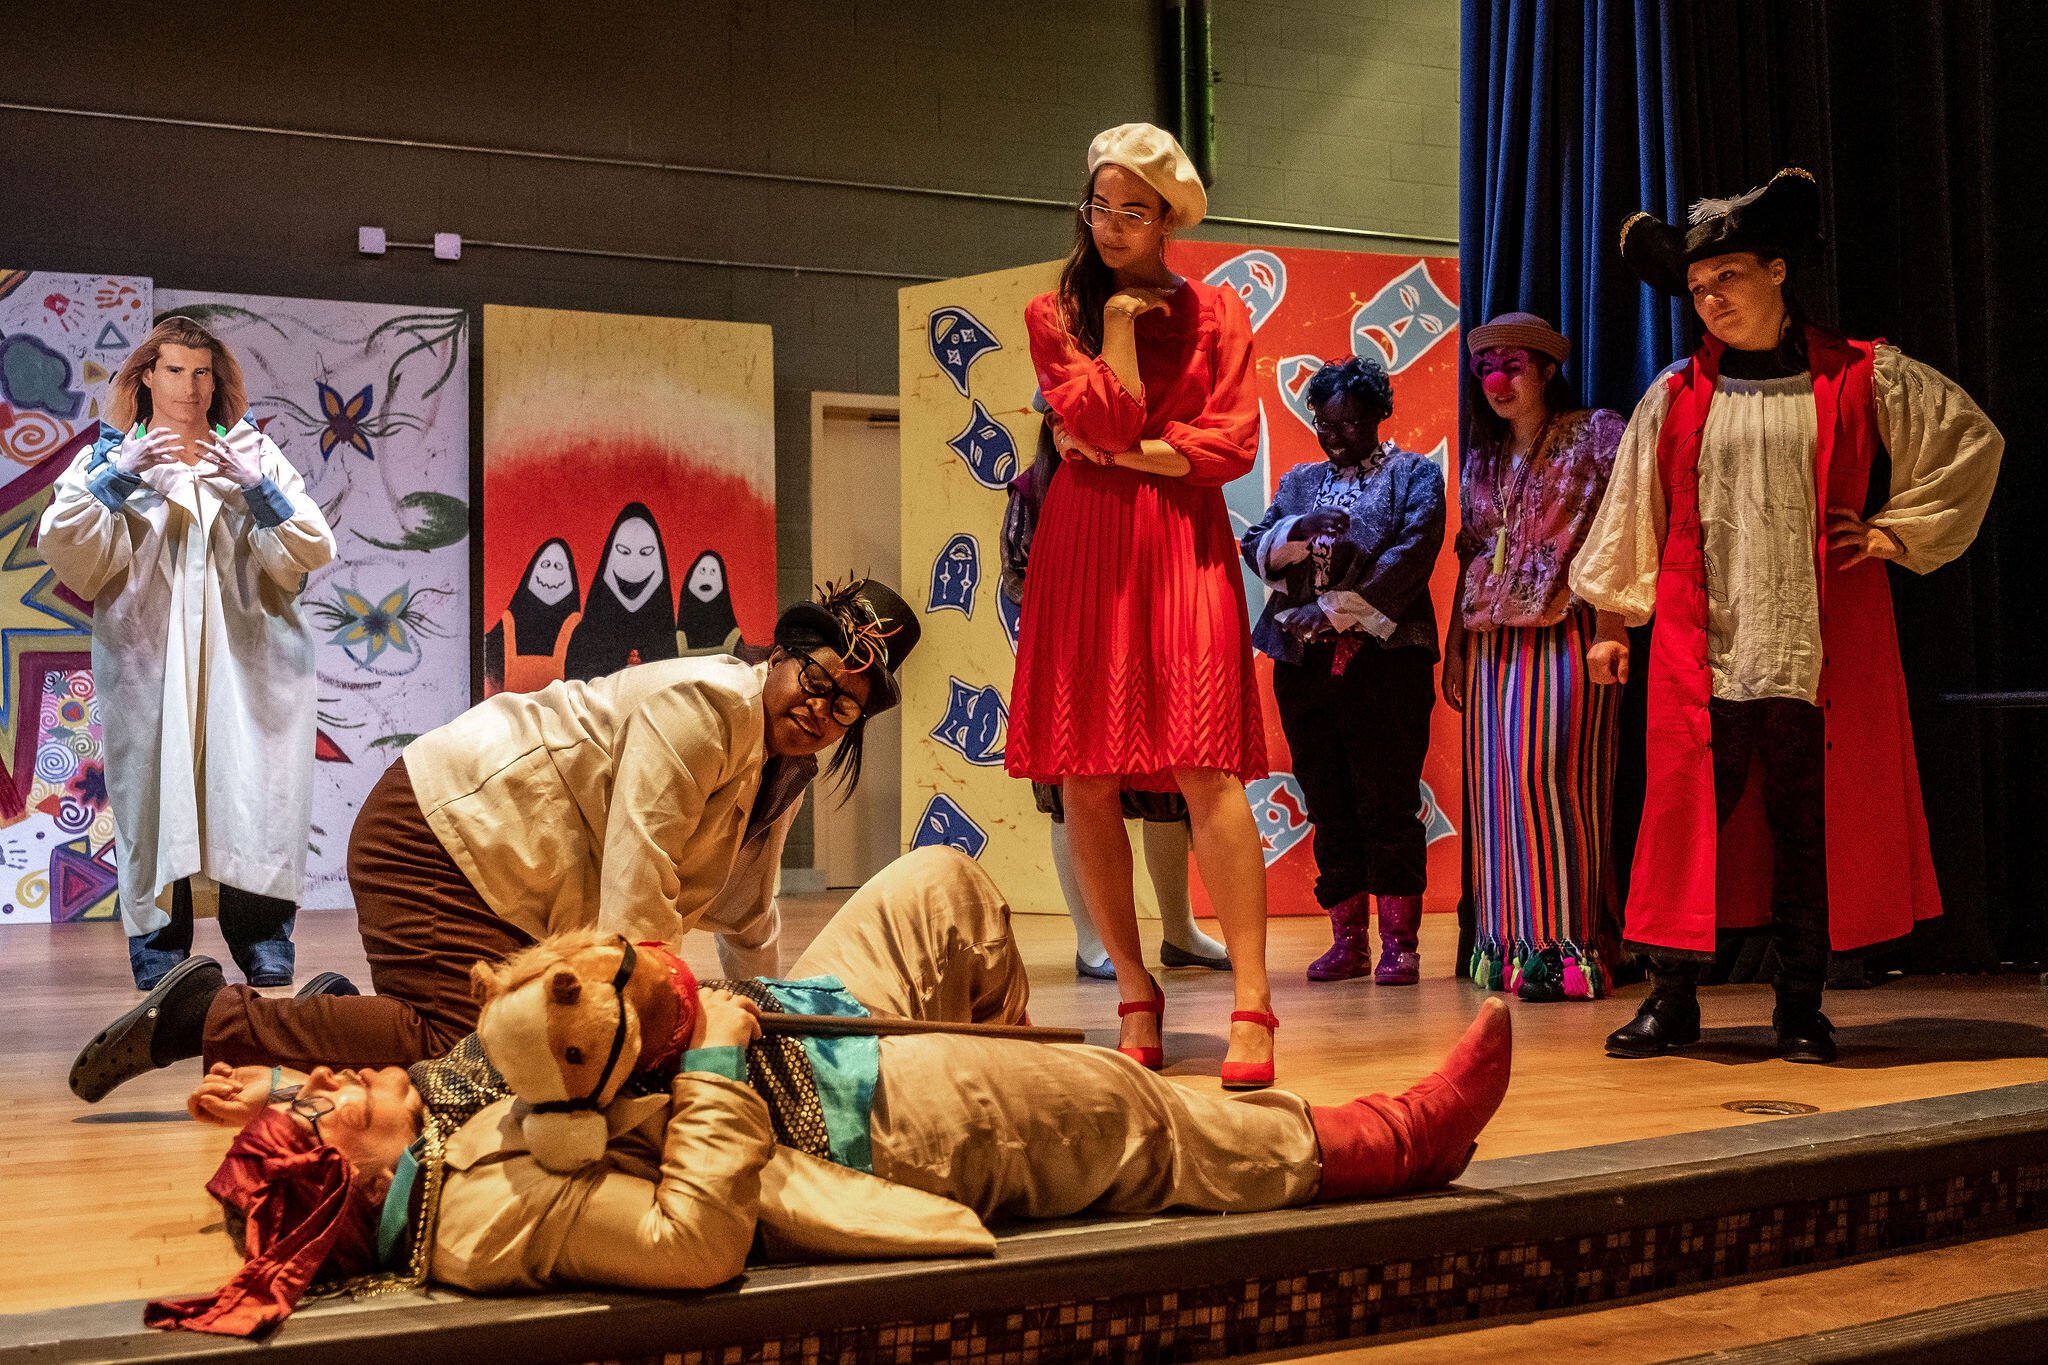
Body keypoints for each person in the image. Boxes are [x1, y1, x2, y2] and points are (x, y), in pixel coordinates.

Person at [152, 846, 1515, 1338]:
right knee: (1122, 1103)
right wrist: (715, 1061)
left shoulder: (441, 1139)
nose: (333, 1084)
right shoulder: (478, 1222)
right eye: (322, 1111)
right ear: (356, 1180)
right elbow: (694, 1242)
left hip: (795, 1035)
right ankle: (1379, 1143)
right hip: (838, 1111)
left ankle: (1030, 1123)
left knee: (938, 883)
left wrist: (278, 1078)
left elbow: (497, 1058)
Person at [69, 580, 920, 1098]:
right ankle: (204, 1015)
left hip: (501, 869)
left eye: (843, 705)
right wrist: (682, 1020)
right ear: (780, 658)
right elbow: (638, 883)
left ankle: (341, 1016)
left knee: (522, 1047)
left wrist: (783, 1013)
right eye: (814, 678)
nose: (820, 706)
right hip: (441, 833)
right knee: (463, 1045)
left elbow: (750, 915)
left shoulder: (775, 773)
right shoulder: (703, 706)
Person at [1572, 168, 2004, 1062]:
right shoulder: (1678, 392)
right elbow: (1632, 509)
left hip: (1817, 653)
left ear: (1776, 271)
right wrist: (1613, 625)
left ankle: (1801, 1003)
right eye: (1696, 288)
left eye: (1725, 277)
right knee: (1685, 823)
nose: (1708, 299)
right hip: (1705, 648)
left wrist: (1893, 532)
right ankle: (1673, 996)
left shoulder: (1861, 372)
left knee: (1808, 830)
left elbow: (1970, 439)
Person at [1004, 122, 1275, 1087]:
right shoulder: (1055, 315)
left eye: (1134, 209)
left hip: (1180, 543)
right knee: (1086, 776)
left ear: (1167, 217)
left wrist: (1119, 453)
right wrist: (1115, 329)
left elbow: (1232, 446)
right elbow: (1110, 411)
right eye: (1100, 206)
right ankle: (1131, 989)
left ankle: (1252, 1000)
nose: (1113, 224)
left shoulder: (1221, 313)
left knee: (1207, 768)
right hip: (1085, 548)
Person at [38, 316, 337, 991]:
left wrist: (257, 488)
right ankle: (160, 950)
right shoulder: (113, 457)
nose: (190, 386)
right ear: (147, 375)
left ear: (217, 379)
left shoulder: (251, 453)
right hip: (150, 662)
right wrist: (117, 479)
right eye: (174, 370)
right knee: (154, 795)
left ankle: (262, 938)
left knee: (252, 794)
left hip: (249, 662)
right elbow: (71, 551)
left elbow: (309, 547)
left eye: (202, 372)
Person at [998, 418, 1229, 979]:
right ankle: (1091, 939)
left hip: (1148, 645)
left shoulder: (1145, 467)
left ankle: (1181, 931)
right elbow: (1015, 574)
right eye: (1059, 416)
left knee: (1169, 798)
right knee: (1071, 795)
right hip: (1072, 656)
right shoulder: (1033, 487)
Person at [1242, 356, 1445, 986]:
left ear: (1378, 415)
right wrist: (1295, 530)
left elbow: (1413, 555)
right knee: (1326, 798)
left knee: (1386, 797)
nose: (1335, 436)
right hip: (1304, 664)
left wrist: (1332, 611)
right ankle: (1348, 941)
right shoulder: (1300, 481)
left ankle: (1400, 944)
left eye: (1351, 423)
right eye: (1324, 424)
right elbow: (1255, 546)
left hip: (1386, 661)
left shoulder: (1415, 474)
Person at [1443, 314, 1626, 1003]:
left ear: (1547, 369)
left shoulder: (1595, 435)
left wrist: (1615, 623)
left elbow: (1622, 529)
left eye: (1512, 365)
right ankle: (1510, 945)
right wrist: (1458, 643)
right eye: (1485, 367)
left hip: (1567, 630)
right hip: (1493, 641)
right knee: (1496, 794)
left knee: (1550, 782)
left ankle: (1570, 947)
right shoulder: (1483, 457)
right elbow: (1471, 549)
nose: (1495, 380)